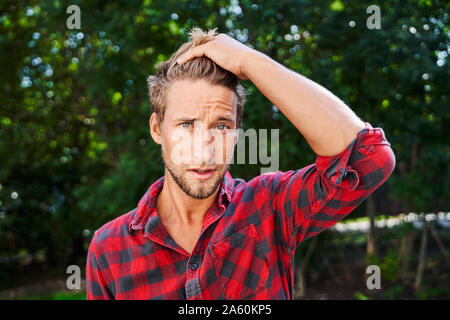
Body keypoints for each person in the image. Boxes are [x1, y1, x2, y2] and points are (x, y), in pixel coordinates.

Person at [86, 27, 395, 300]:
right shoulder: (109, 248)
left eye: (221, 126)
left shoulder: (268, 206)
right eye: (186, 125)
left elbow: (369, 159)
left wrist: (251, 61)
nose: (204, 151)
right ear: (157, 129)